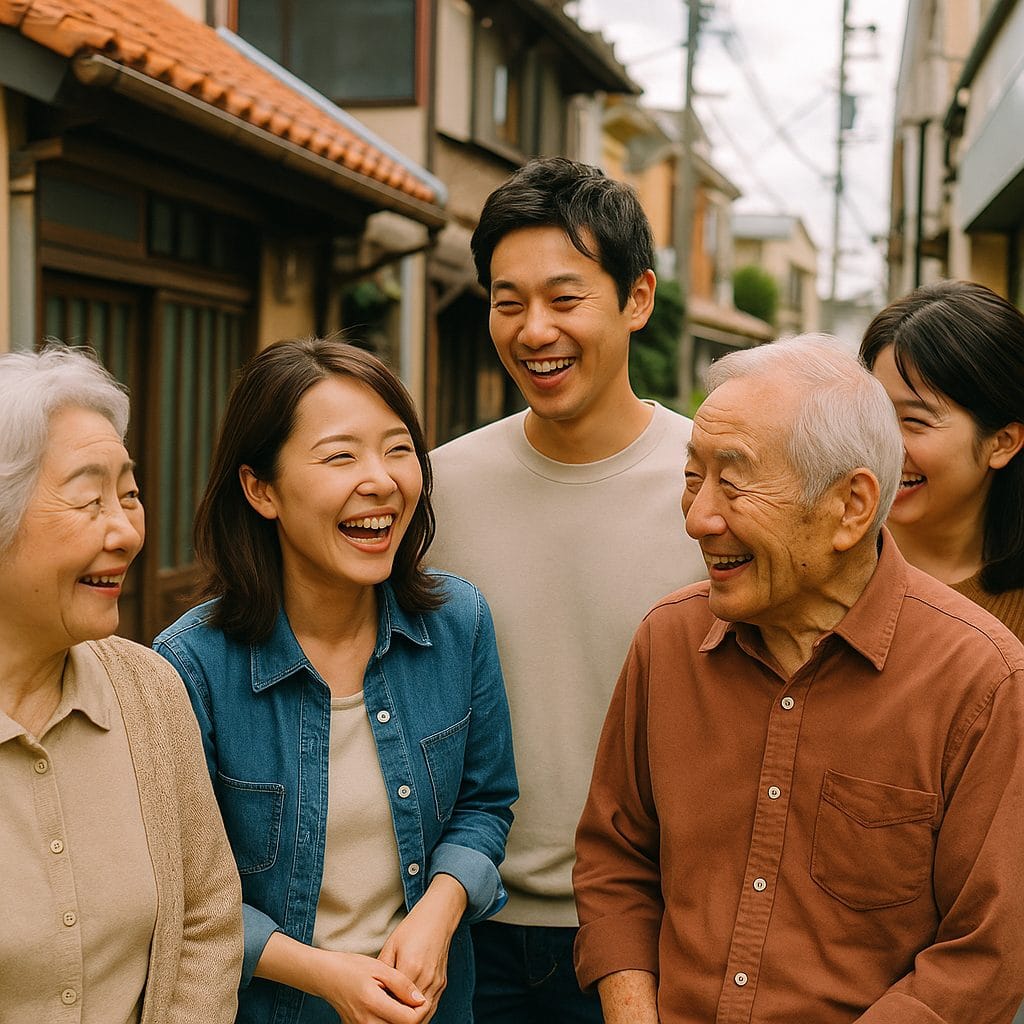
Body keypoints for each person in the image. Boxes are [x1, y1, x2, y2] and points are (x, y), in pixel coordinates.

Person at [573, 335, 1024, 1023]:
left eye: (734, 483)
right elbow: (616, 861)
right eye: (693, 477)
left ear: (851, 505)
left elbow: (984, 956)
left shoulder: (982, 682)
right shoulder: (667, 642)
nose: (698, 518)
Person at [153, 337, 517, 1024]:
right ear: (261, 489)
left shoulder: (458, 623)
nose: (380, 480)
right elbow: (183, 892)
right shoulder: (188, 667)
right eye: (340, 456)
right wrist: (325, 976)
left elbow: (485, 803)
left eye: (398, 449)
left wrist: (439, 910)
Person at [429, 156, 706, 1021]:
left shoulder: (715, 489)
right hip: (463, 925)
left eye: (564, 297)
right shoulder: (438, 488)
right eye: (507, 302)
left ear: (637, 298)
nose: (534, 330)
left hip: (658, 932)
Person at [0, 345, 242, 1022]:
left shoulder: (150, 691)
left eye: (129, 495)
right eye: (89, 500)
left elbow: (207, 915)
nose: (127, 533)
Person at [860, 279, 1024, 638]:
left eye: (915, 421)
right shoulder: (813, 570)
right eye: (876, 414)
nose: (884, 445)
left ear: (1002, 442)